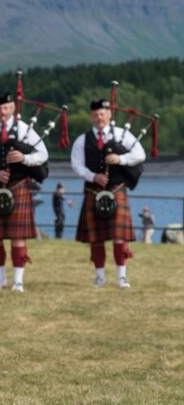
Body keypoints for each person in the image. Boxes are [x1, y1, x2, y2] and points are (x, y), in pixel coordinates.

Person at [0, 91, 48, 293]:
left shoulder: (25, 130)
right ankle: (0, 280)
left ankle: (18, 281)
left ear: (13, 109)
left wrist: (24, 159)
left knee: (18, 236)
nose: (2, 112)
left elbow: (43, 155)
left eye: (6, 108)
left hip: (18, 187)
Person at [71, 99, 146, 289]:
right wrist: (93, 176)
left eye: (102, 113)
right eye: (95, 114)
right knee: (96, 238)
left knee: (119, 236)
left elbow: (140, 154)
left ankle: (122, 277)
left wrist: (120, 159)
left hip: (116, 190)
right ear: (91, 116)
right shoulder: (82, 140)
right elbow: (77, 165)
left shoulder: (122, 134)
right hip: (93, 191)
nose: (99, 117)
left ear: (109, 114)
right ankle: (100, 277)